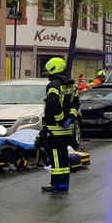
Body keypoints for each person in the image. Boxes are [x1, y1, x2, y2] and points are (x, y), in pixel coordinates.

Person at [40, 57, 76, 194]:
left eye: (49, 72)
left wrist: (60, 121)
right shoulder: (71, 85)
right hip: (67, 130)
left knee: (55, 156)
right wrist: (71, 118)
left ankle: (55, 184)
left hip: (55, 129)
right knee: (63, 157)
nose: (48, 75)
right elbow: (75, 104)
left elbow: (53, 107)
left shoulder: (53, 86)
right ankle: (63, 185)